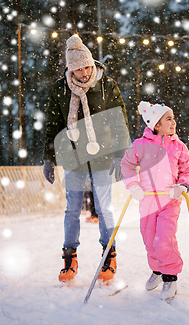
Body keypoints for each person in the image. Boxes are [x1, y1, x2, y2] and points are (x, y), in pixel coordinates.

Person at [42, 34, 130, 284]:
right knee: (72, 209)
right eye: (79, 68)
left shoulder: (106, 85)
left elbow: (119, 119)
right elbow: (53, 124)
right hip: (73, 157)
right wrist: (48, 157)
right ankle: (69, 258)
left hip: (102, 156)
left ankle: (108, 254)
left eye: (87, 66)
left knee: (103, 208)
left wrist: (120, 154)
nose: (84, 72)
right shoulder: (61, 89)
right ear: (70, 68)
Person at [121, 101, 189, 302]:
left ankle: (170, 276)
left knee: (164, 238)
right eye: (168, 118)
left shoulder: (178, 147)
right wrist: (133, 186)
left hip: (170, 201)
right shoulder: (140, 145)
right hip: (148, 202)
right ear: (156, 124)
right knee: (149, 239)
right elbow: (126, 165)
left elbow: (187, 170)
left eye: (173, 118)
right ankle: (157, 269)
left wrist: (182, 186)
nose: (173, 122)